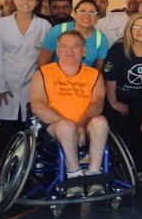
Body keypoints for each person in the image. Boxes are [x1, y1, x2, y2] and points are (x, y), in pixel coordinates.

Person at [29, 30, 110, 198]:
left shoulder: (94, 75)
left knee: (100, 121)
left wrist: (81, 124)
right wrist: (72, 126)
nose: (69, 51)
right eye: (64, 47)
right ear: (57, 51)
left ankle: (94, 176)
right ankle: (74, 178)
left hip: (85, 129)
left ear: (84, 51)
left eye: (75, 47)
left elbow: (97, 103)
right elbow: (38, 106)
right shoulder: (43, 73)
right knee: (65, 127)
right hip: (53, 131)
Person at [0, 0, 51, 153]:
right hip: (6, 86)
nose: (25, 2)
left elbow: (49, 56)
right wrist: (0, 85)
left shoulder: (44, 25)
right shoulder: (1, 25)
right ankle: (4, 168)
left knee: (32, 132)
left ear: (36, 2)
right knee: (7, 131)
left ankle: (29, 170)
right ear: (14, 0)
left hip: (33, 86)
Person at [103, 13, 142, 177]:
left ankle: (139, 169)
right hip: (119, 97)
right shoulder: (119, 49)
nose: (141, 31)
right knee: (120, 131)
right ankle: (119, 170)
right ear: (129, 29)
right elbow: (110, 78)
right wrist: (113, 102)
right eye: (136, 27)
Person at [38, 0, 109, 70]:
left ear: (97, 18)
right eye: (82, 11)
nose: (87, 15)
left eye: (92, 12)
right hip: (55, 75)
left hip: (85, 76)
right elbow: (42, 62)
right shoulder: (58, 30)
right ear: (74, 14)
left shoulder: (101, 39)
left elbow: (98, 70)